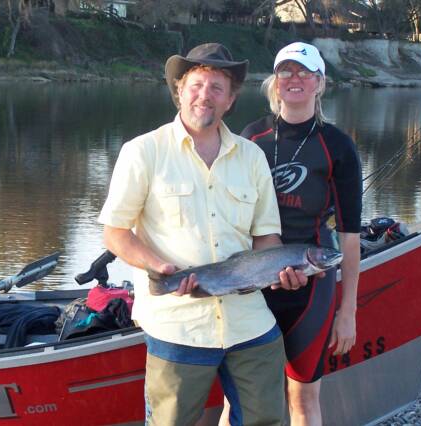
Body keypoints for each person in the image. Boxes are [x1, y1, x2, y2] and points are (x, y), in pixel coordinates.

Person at [98, 43, 307, 426]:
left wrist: (283, 272)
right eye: (196, 85)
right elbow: (115, 233)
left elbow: (266, 240)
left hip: (250, 325)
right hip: (176, 325)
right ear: (179, 90)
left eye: (216, 88)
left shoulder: (252, 157)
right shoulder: (142, 151)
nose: (204, 96)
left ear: (230, 100)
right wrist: (160, 267)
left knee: (267, 421)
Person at [237, 42, 362, 425]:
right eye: (286, 72)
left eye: (304, 72)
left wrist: (348, 311)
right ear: (274, 83)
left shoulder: (338, 147)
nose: (295, 79)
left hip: (312, 281)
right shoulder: (251, 138)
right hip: (255, 282)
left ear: (320, 83)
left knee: (303, 397)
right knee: (240, 398)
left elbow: (350, 236)